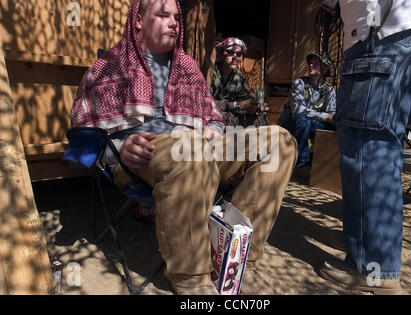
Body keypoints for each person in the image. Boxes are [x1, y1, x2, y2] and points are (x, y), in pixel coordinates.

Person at [70, 0, 297, 295]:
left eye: (176, 16)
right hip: (143, 156)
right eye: (163, 15)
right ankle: (192, 278)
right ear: (138, 20)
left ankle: (236, 260)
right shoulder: (111, 64)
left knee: (279, 142)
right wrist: (118, 148)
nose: (175, 22)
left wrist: (213, 129)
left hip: (198, 149)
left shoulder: (187, 67)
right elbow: (85, 130)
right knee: (188, 147)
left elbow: (212, 114)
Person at [319, 0, 411, 294]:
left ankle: (372, 266)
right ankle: (367, 241)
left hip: (381, 26)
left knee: (366, 145)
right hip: (404, 23)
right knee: (378, 141)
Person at [278, 52, 336, 167]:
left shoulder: (329, 90)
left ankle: (324, 165)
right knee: (303, 120)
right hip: (290, 123)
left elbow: (332, 113)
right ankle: (301, 163)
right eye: (310, 63)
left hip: (310, 124)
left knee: (336, 126)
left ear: (325, 68)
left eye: (315, 63)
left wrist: (336, 121)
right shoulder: (299, 83)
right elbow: (298, 110)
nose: (310, 65)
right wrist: (326, 116)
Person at [210, 37, 269, 128]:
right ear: (220, 53)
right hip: (212, 112)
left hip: (230, 113)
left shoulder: (239, 77)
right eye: (230, 52)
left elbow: (248, 98)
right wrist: (237, 105)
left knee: (261, 120)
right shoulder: (210, 72)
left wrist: (256, 106)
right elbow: (205, 103)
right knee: (223, 117)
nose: (235, 57)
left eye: (239, 54)